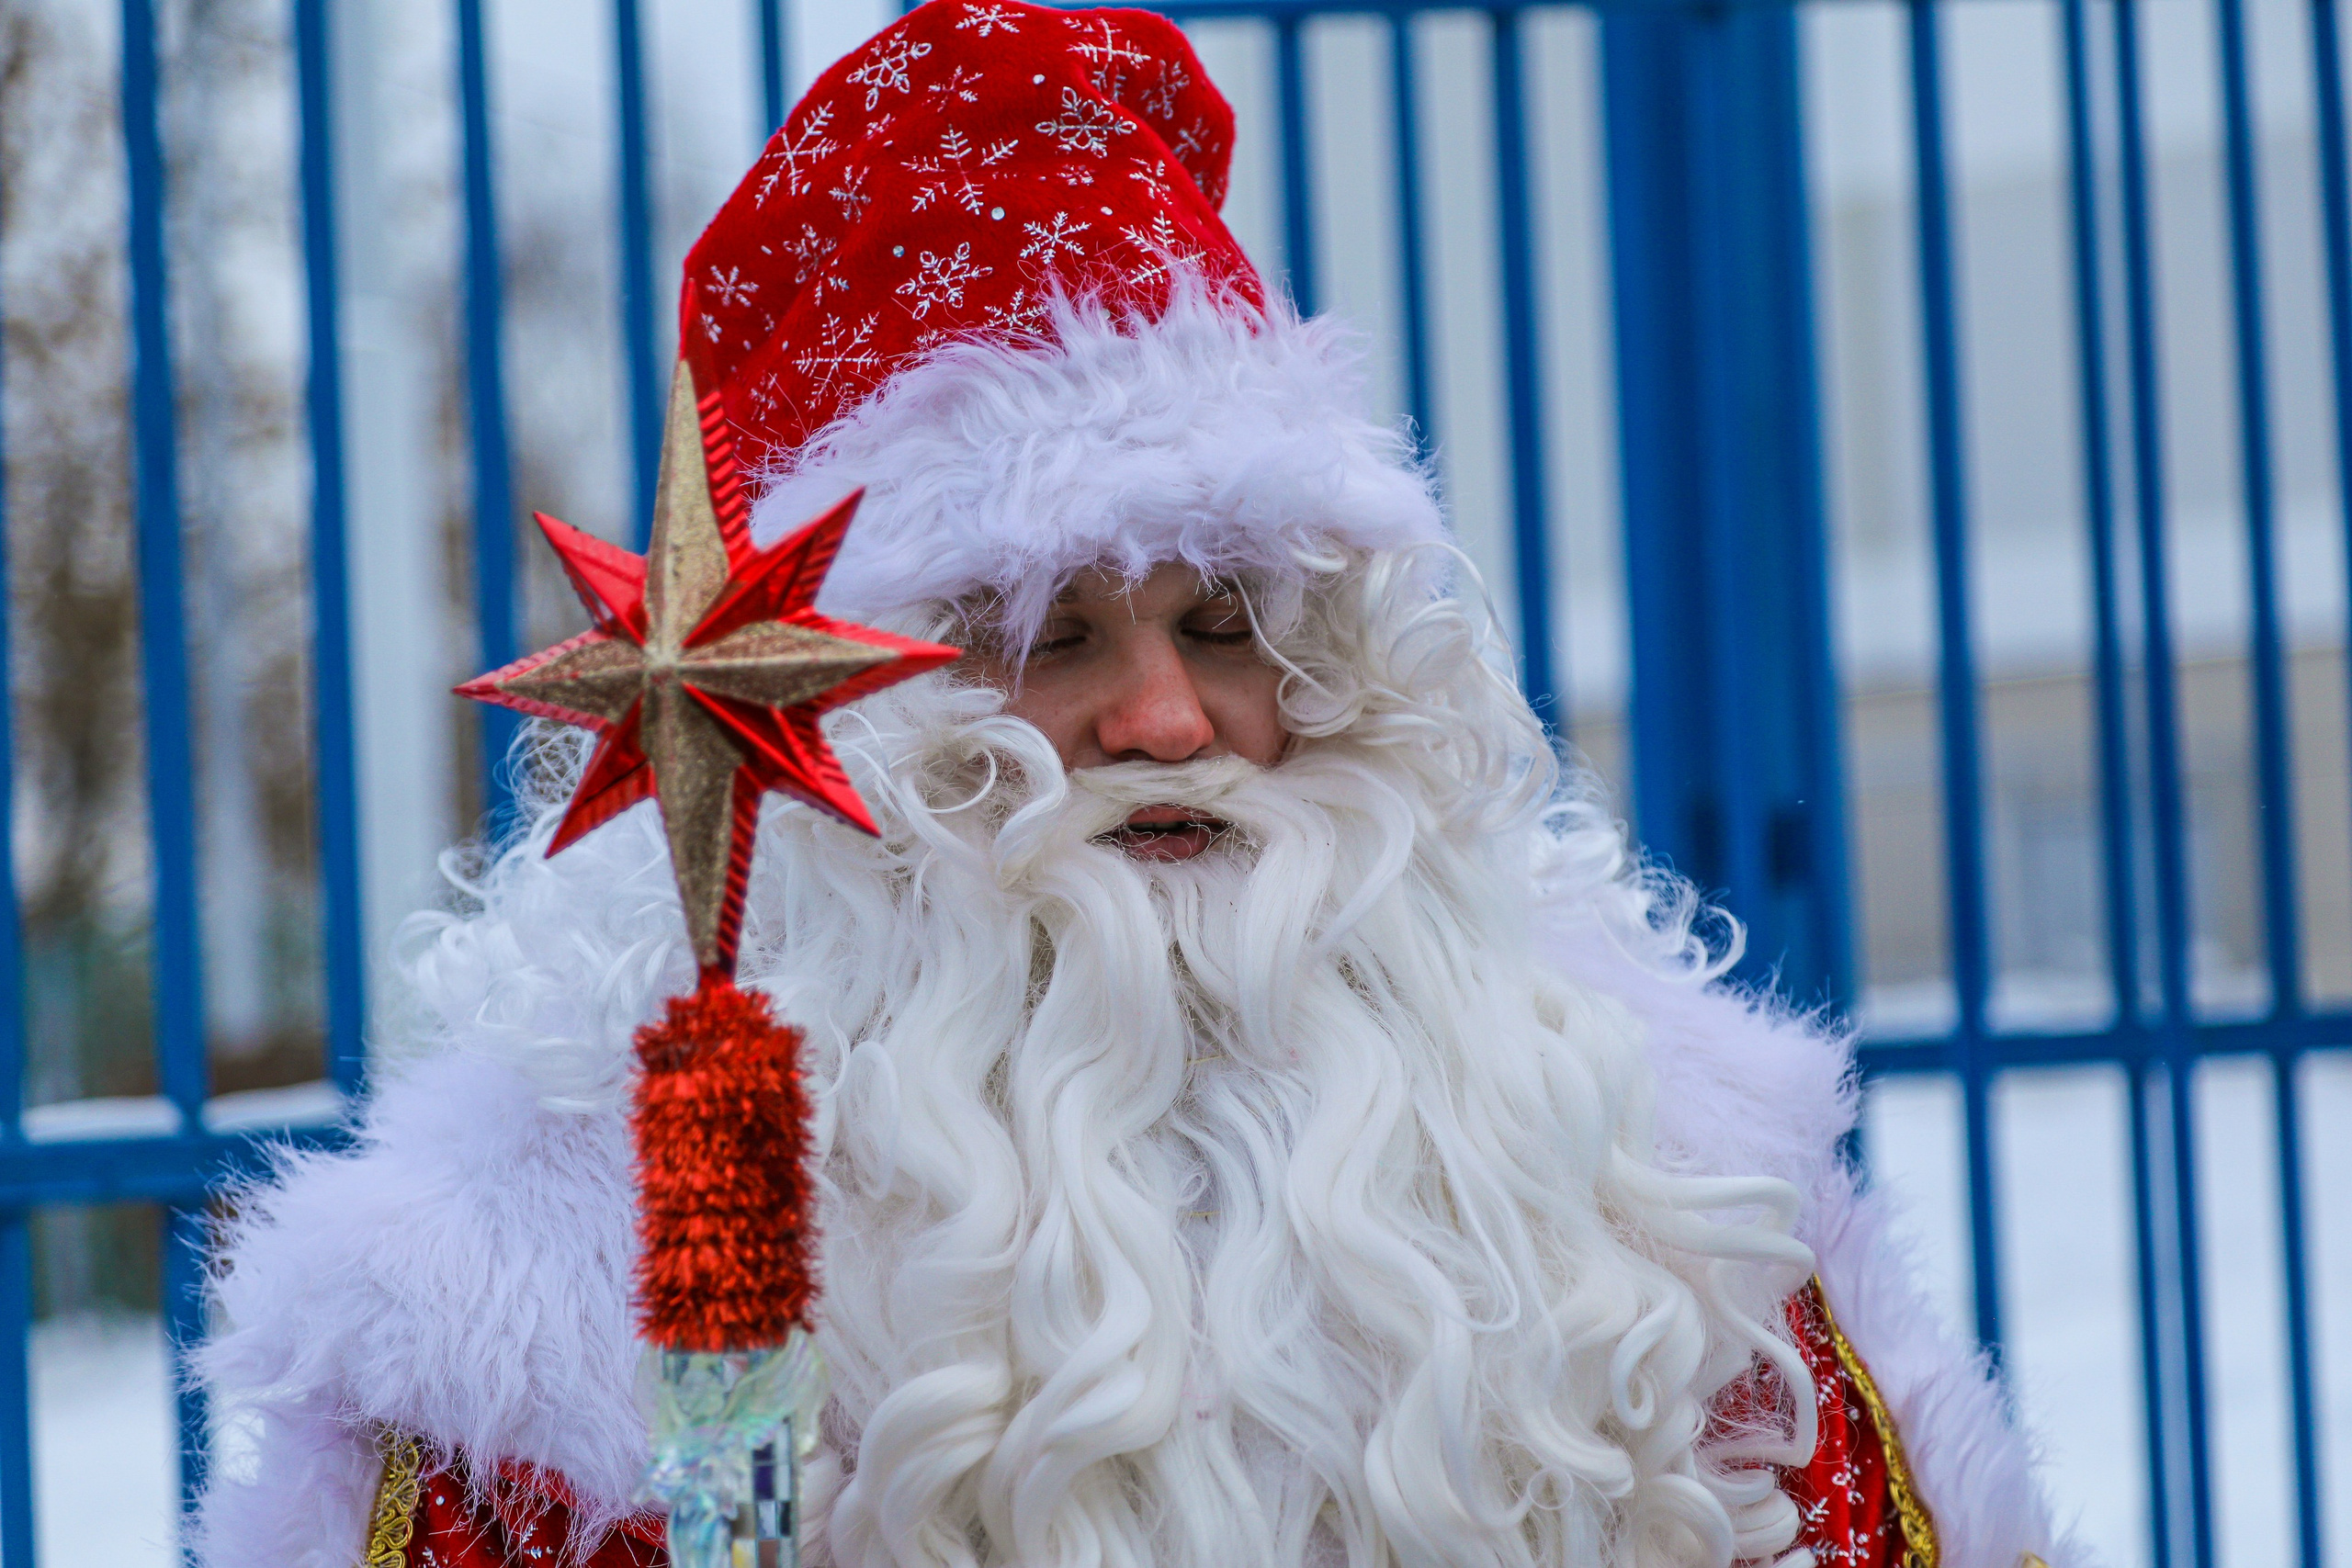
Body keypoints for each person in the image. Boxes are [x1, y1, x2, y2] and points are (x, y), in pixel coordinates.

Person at [195, 5, 2073, 1565]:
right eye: (1049, 633)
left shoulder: (1655, 1177)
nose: (1169, 721)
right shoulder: (555, 1315)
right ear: (828, 705)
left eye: (1230, 620)